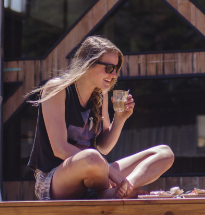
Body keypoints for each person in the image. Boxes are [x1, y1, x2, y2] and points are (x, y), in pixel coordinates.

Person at [26, 36, 175, 200]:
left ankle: (121, 190)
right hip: (56, 179)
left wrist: (120, 119)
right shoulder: (57, 89)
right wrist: (110, 172)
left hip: (97, 173)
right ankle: (112, 191)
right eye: (109, 67)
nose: (114, 74)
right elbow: (60, 149)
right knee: (93, 157)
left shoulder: (100, 95)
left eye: (116, 68)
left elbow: (104, 147)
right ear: (88, 64)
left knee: (164, 153)